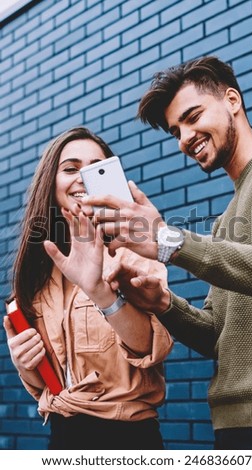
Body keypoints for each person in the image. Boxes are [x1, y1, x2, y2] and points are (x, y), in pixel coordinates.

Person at [80, 56, 252, 450]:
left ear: (232, 100)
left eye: (193, 116)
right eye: (175, 131)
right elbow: (218, 336)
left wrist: (169, 241)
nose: (184, 137)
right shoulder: (224, 223)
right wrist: (163, 303)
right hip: (233, 426)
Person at [3, 126, 173, 450]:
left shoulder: (134, 249)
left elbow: (151, 346)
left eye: (96, 168)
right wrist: (26, 364)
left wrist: (99, 290)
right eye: (70, 168)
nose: (82, 177)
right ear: (50, 183)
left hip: (127, 438)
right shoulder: (40, 268)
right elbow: (49, 382)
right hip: (61, 438)